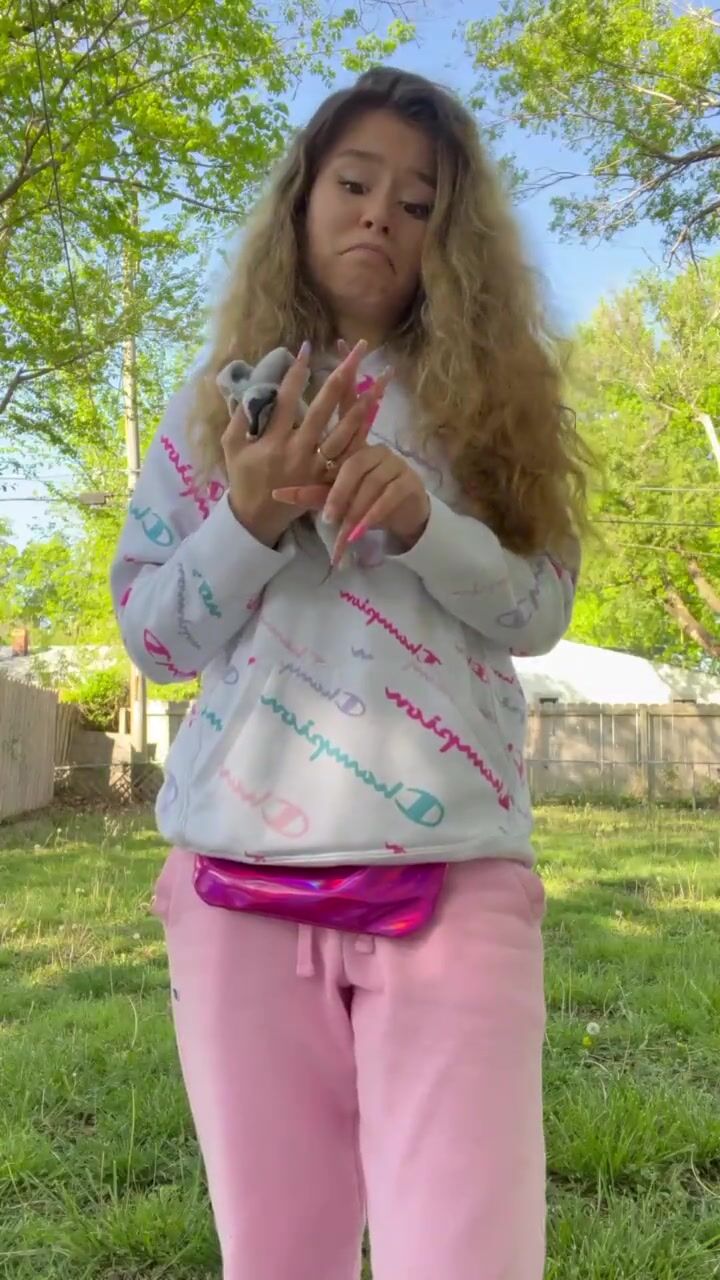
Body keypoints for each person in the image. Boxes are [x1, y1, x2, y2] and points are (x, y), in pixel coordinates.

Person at [111, 66, 587, 1280]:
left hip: (453, 886)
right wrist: (247, 516)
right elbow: (155, 640)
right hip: (235, 897)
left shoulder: (495, 406)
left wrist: (425, 519)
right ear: (302, 199)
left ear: (454, 236)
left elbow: (539, 611)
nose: (381, 214)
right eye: (355, 182)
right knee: (275, 1256)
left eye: (420, 202)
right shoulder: (212, 408)